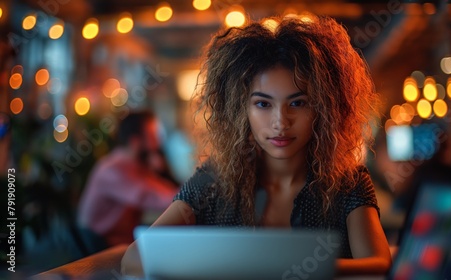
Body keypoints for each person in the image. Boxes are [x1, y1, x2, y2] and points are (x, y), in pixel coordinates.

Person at [122, 15, 391, 276]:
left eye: (297, 103)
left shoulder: (348, 183)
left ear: (323, 108)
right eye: (263, 104)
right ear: (242, 110)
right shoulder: (214, 180)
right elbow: (133, 259)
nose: (280, 122)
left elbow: (379, 265)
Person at [78, 111, 178, 247]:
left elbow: (166, 192)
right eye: (153, 136)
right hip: (97, 249)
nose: (157, 143)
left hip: (119, 246)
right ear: (135, 142)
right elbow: (154, 198)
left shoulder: (137, 166)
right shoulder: (112, 170)